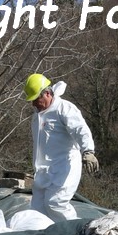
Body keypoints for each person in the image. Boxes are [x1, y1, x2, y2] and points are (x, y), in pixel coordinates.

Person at [24, 73, 98, 222]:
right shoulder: (37, 116)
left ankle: (75, 231)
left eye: (36, 99)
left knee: (56, 203)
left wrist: (88, 151)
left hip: (64, 167)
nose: (34, 104)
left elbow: (80, 129)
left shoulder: (64, 108)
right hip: (43, 171)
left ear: (47, 93)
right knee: (38, 211)